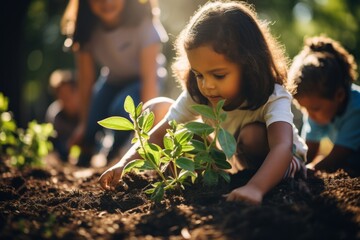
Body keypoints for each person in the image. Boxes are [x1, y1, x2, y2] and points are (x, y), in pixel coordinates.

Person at [98, 0, 308, 204]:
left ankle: (261, 181)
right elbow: (163, 129)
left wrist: (255, 188)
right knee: (182, 131)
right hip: (234, 166)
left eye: (218, 75)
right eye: (199, 74)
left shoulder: (271, 95)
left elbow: (282, 146)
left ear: (249, 65)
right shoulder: (199, 94)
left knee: (252, 135)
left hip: (284, 161)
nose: (207, 85)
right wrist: (125, 163)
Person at [61, 0, 169, 166]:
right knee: (90, 124)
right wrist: (83, 125)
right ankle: (85, 156)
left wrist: (144, 131)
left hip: (142, 81)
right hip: (112, 80)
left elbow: (149, 79)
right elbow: (86, 81)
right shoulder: (86, 29)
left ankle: (116, 156)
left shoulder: (144, 22)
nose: (106, 2)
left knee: (121, 109)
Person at [287, 36, 360, 176]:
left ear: (339, 95)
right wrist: (296, 165)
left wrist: (309, 169)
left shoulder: (356, 108)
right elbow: (309, 149)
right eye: (304, 108)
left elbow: (338, 156)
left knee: (349, 164)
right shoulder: (317, 111)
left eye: (314, 108)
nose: (309, 114)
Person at [45, 69, 80, 161]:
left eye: (69, 93)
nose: (66, 98)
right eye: (62, 95)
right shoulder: (55, 115)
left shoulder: (86, 111)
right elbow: (53, 143)